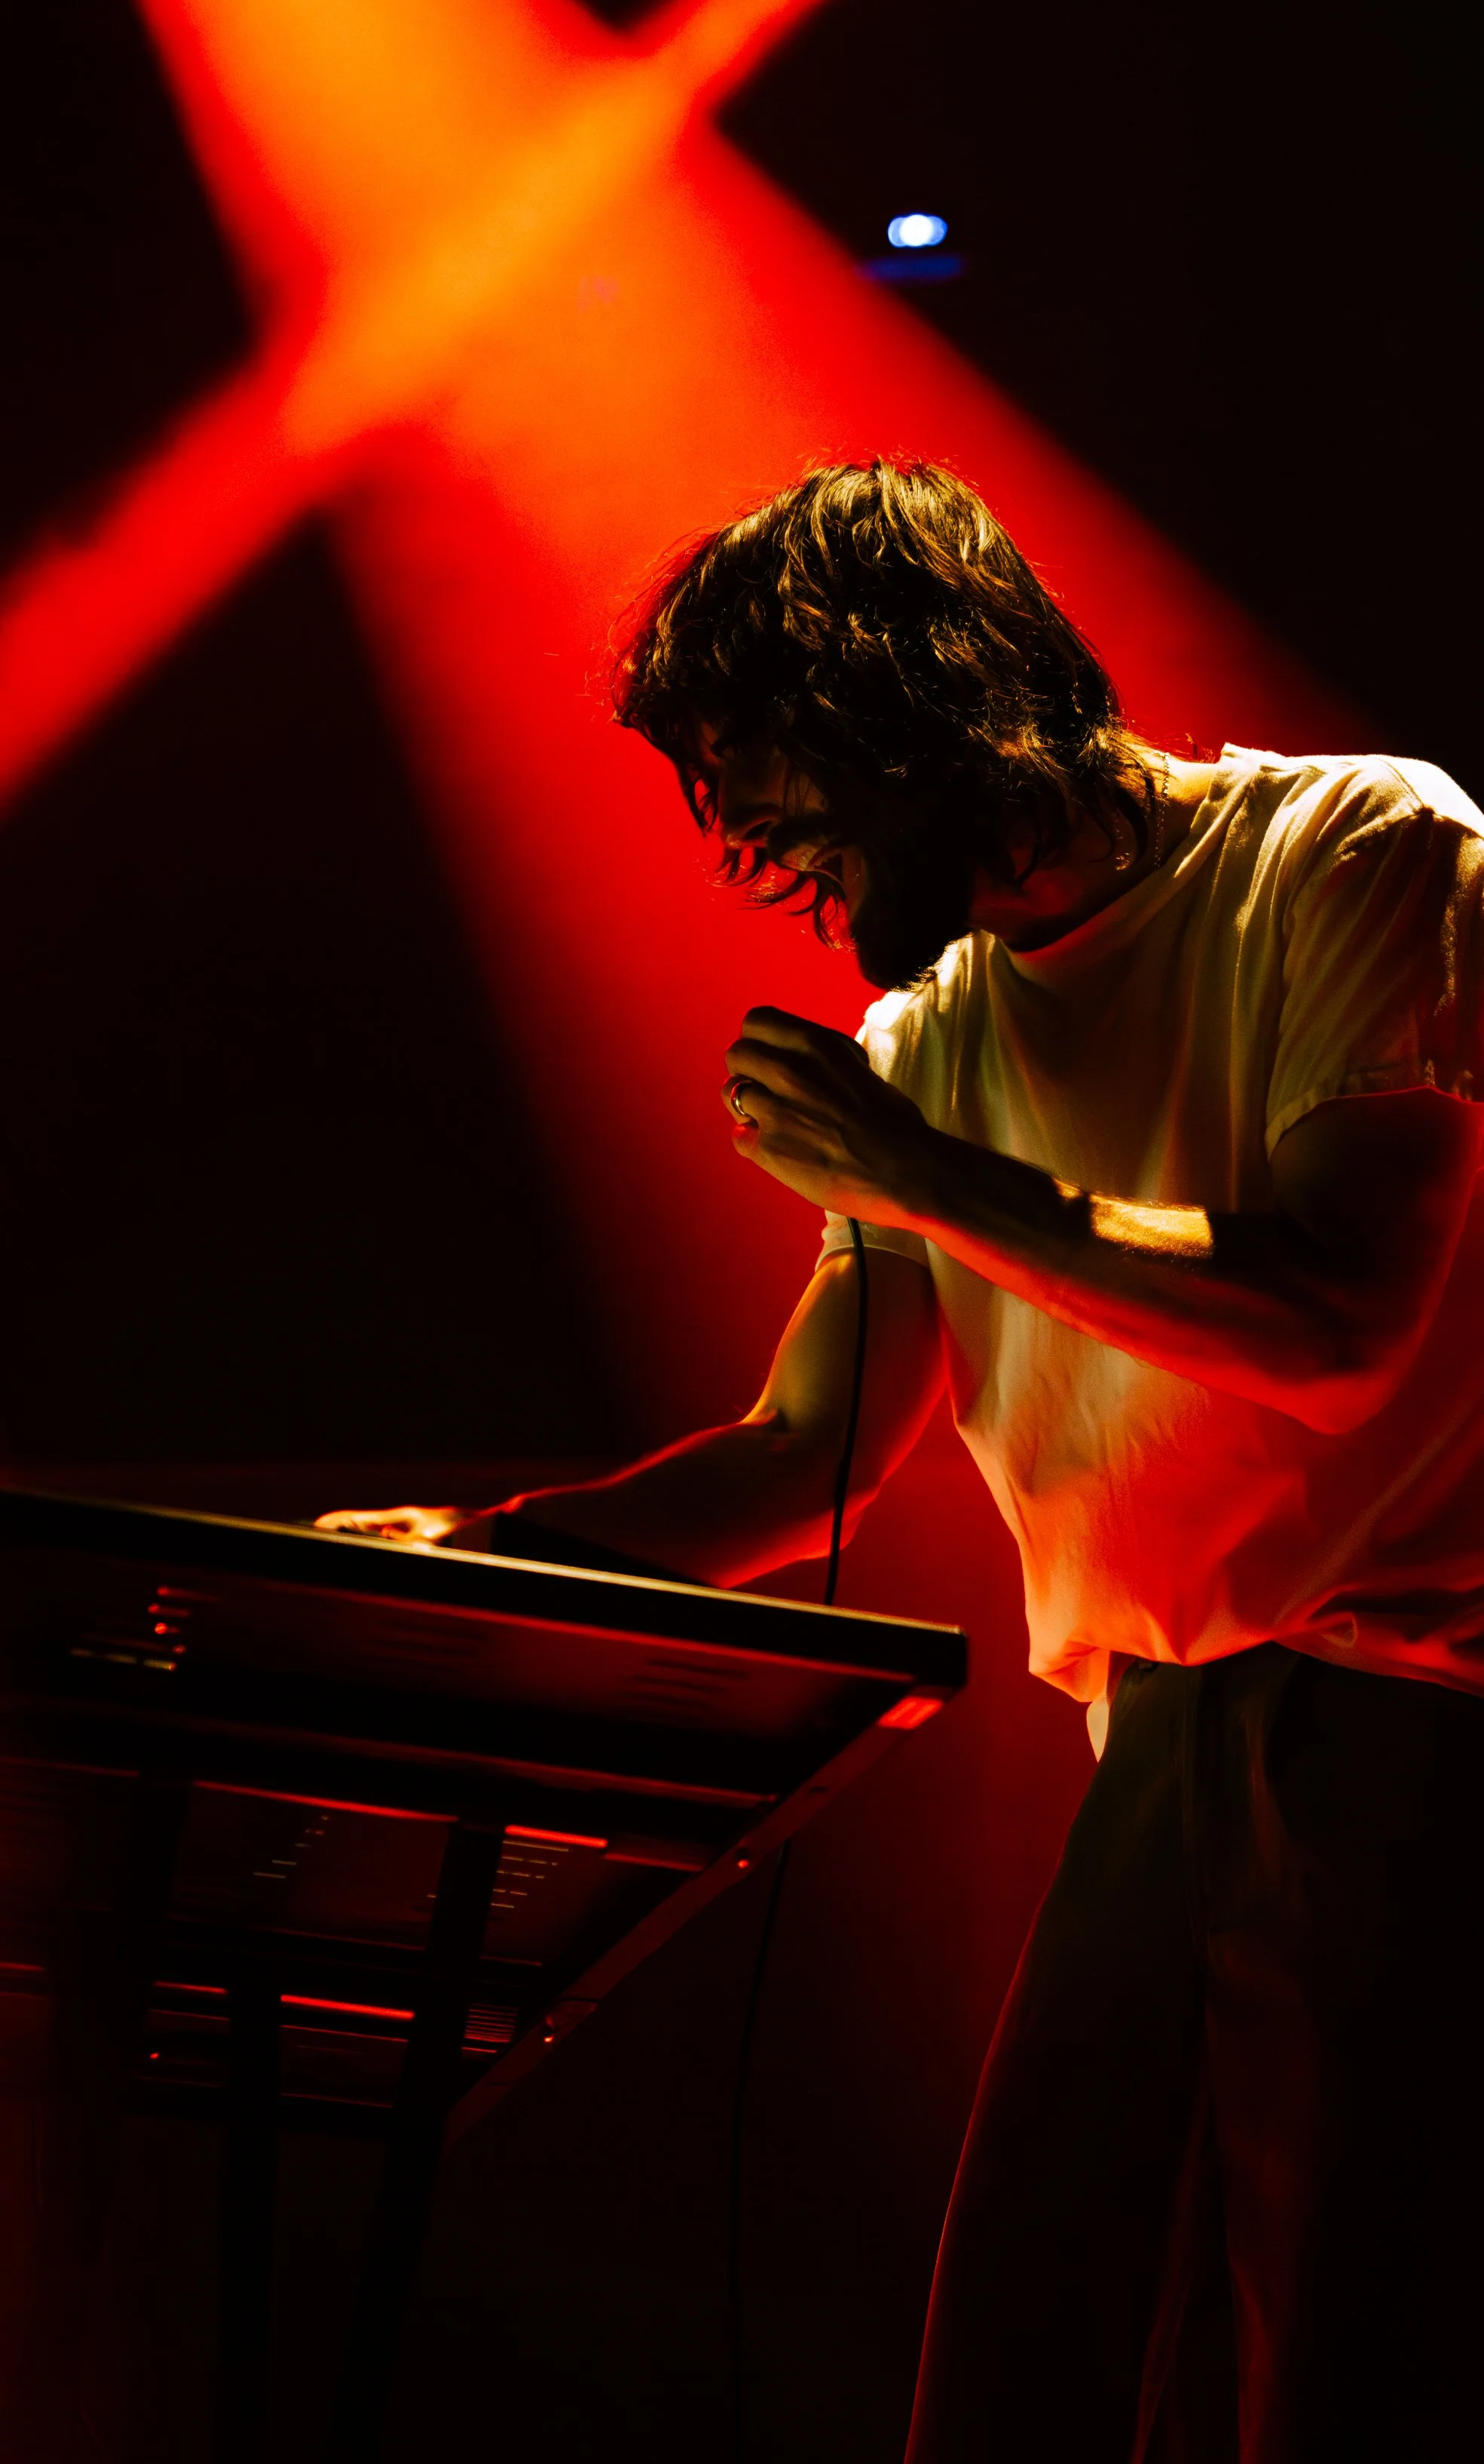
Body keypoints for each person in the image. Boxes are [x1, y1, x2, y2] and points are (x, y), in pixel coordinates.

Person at [320, 463, 1484, 2459]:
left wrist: (932, 1180)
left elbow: (1337, 1324)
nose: (791, 868)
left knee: (1345, 2367)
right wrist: (488, 1547)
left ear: (928, 712)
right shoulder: (931, 1035)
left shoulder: (1358, 847)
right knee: (1031, 2361)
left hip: (1410, 1721)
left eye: (805, 807)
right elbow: (806, 1453)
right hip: (1163, 1744)